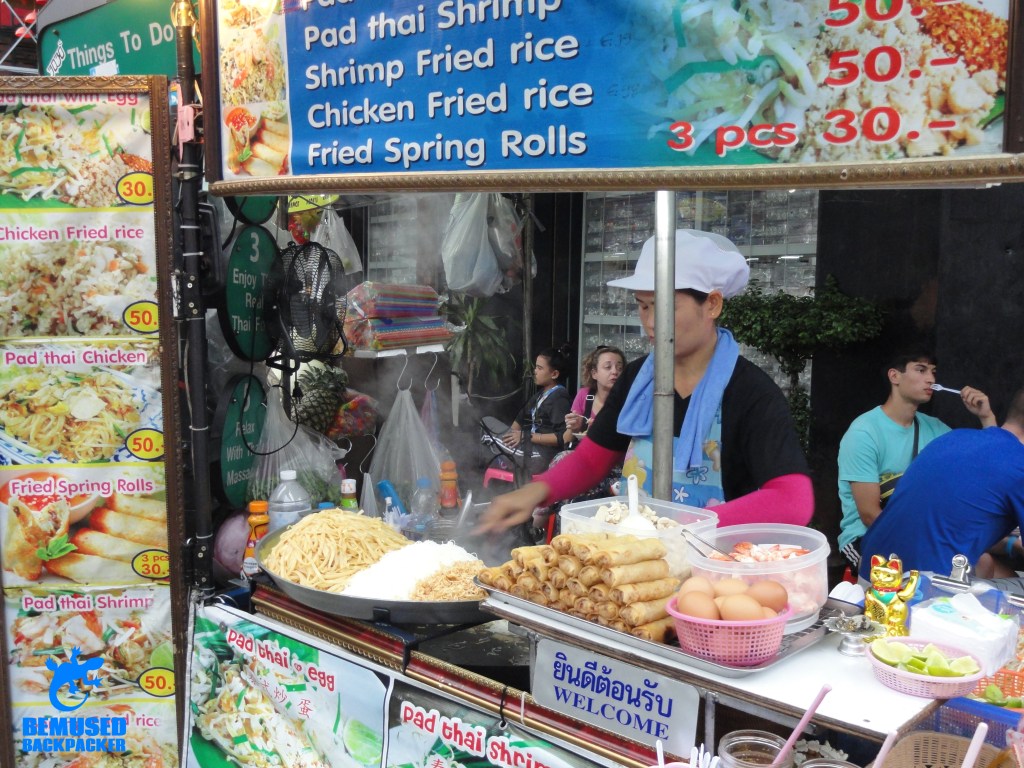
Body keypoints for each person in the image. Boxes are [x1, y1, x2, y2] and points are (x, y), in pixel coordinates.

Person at [478, 229, 813, 533]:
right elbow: (592, 459)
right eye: (643, 306)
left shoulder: (750, 392)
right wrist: (535, 492)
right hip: (637, 558)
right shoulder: (638, 379)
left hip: (714, 575)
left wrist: (684, 531)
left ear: (711, 304)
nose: (650, 322)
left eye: (665, 306)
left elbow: (793, 500)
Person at [837, 352, 995, 569]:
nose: (930, 379)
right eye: (921, 370)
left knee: (982, 563)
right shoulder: (864, 433)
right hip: (867, 538)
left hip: (921, 533)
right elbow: (869, 515)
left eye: (933, 372)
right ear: (895, 376)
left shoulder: (935, 429)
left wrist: (986, 417)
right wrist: (930, 542)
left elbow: (990, 462)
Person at [856, 387, 1024, 581]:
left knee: (984, 563)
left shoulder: (952, 438)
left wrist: (1012, 545)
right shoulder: (1018, 464)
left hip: (872, 572)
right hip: (922, 593)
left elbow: (959, 526)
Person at [481, 344, 574, 476]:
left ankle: (497, 464)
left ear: (554, 374)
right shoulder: (541, 394)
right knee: (486, 422)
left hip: (539, 457)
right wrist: (511, 438)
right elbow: (519, 419)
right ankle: (503, 461)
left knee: (484, 433)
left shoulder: (559, 398)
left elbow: (561, 438)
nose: (535, 371)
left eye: (540, 368)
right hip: (528, 449)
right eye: (536, 367)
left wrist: (526, 437)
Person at [564, 345, 627, 441]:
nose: (615, 371)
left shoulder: (629, 398)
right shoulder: (584, 395)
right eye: (608, 367)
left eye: (620, 368)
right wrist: (573, 428)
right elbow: (566, 440)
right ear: (594, 373)